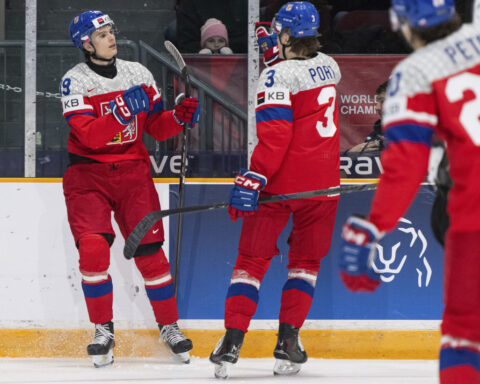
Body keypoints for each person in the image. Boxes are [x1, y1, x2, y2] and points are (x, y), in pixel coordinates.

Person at [338, 1, 480, 383]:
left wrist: (373, 227)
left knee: (464, 333)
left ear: (403, 24)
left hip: (470, 210)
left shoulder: (417, 72)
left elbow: (405, 168)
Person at [209, 1, 341, 378]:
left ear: (284, 35)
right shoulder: (331, 66)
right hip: (325, 187)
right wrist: (277, 55)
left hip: (281, 185)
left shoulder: (275, 77)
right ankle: (288, 342)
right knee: (305, 265)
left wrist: (256, 175)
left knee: (250, 264)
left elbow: (277, 134)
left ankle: (232, 342)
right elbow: (303, 71)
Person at [60, 10, 200, 367]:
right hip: (88, 176)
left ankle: (169, 326)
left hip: (134, 175)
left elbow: (155, 127)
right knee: (93, 250)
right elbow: (88, 136)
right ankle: (103, 329)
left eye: (111, 31)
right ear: (85, 43)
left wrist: (178, 118)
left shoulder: (138, 73)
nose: (111, 37)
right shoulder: (74, 81)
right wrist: (122, 110)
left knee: (151, 252)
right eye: (103, 33)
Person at [176, 0, 248, 53]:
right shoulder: (189, 4)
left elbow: (253, 39)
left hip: (238, 51)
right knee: (172, 32)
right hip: (202, 53)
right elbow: (187, 42)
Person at [345, 80, 388, 154]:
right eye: (377, 101)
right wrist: (350, 154)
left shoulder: (412, 136)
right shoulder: (375, 136)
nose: (376, 107)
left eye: (383, 101)